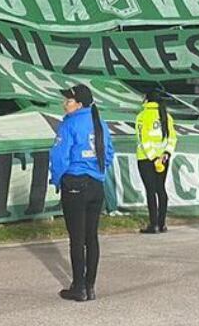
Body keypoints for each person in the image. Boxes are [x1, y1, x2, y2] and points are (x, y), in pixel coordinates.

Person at [49, 85, 114, 303]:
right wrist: (98, 171)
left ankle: (78, 287)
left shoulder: (69, 124)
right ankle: (90, 286)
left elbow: (60, 156)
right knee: (91, 237)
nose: (64, 104)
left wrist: (57, 178)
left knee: (76, 238)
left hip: (75, 182)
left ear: (79, 104)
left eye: (68, 101)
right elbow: (109, 153)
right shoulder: (100, 122)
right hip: (96, 184)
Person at [135, 90, 177, 234]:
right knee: (161, 189)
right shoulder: (166, 116)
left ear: (147, 100)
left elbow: (143, 140)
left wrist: (153, 158)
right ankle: (162, 223)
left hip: (146, 159)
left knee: (151, 191)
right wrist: (166, 154)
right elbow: (172, 138)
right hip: (163, 159)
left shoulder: (142, 116)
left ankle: (153, 225)